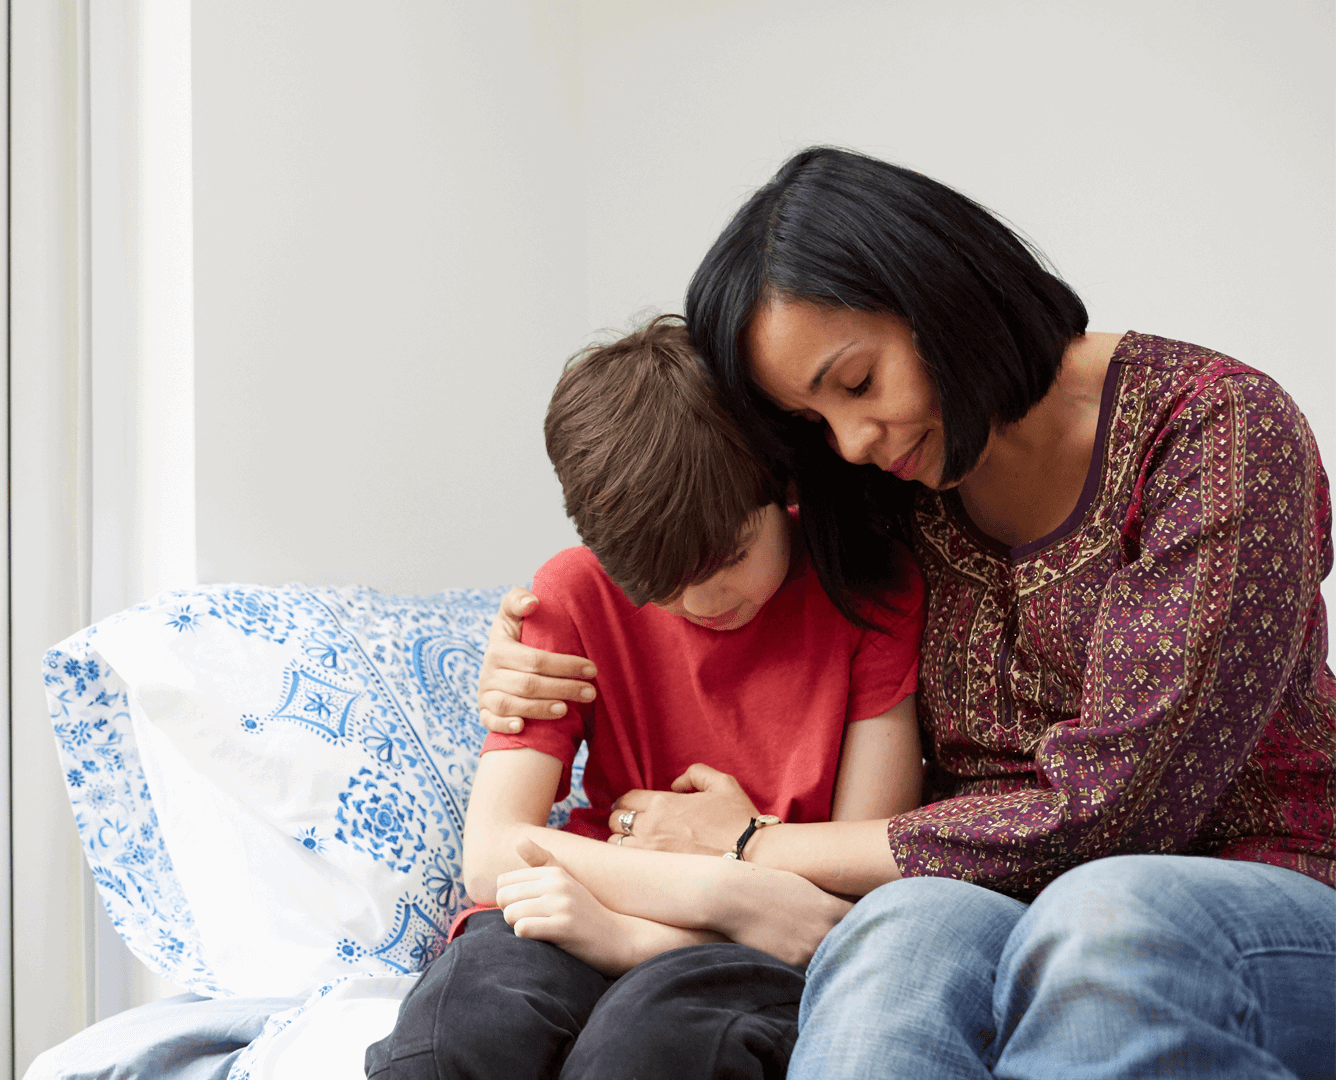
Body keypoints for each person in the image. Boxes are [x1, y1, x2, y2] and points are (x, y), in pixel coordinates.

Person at [474, 147, 1336, 1079]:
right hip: (969, 892)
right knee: (886, 956)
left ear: (939, 297)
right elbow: (702, 530)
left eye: (856, 383)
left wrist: (753, 846)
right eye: (811, 420)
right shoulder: (881, 482)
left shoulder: (1216, 433)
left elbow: (1117, 815)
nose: (849, 441)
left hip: (1252, 885)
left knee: (1103, 920)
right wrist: (528, 641)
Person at [366, 316, 926, 1080]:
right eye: (659, 586)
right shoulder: (572, 591)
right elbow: (493, 854)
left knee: (652, 1049)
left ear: (777, 482)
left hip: (747, 951)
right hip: (597, 902)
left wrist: (640, 937)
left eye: (727, 557)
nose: (701, 599)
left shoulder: (871, 592)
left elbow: (849, 897)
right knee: (459, 1033)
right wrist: (724, 891)